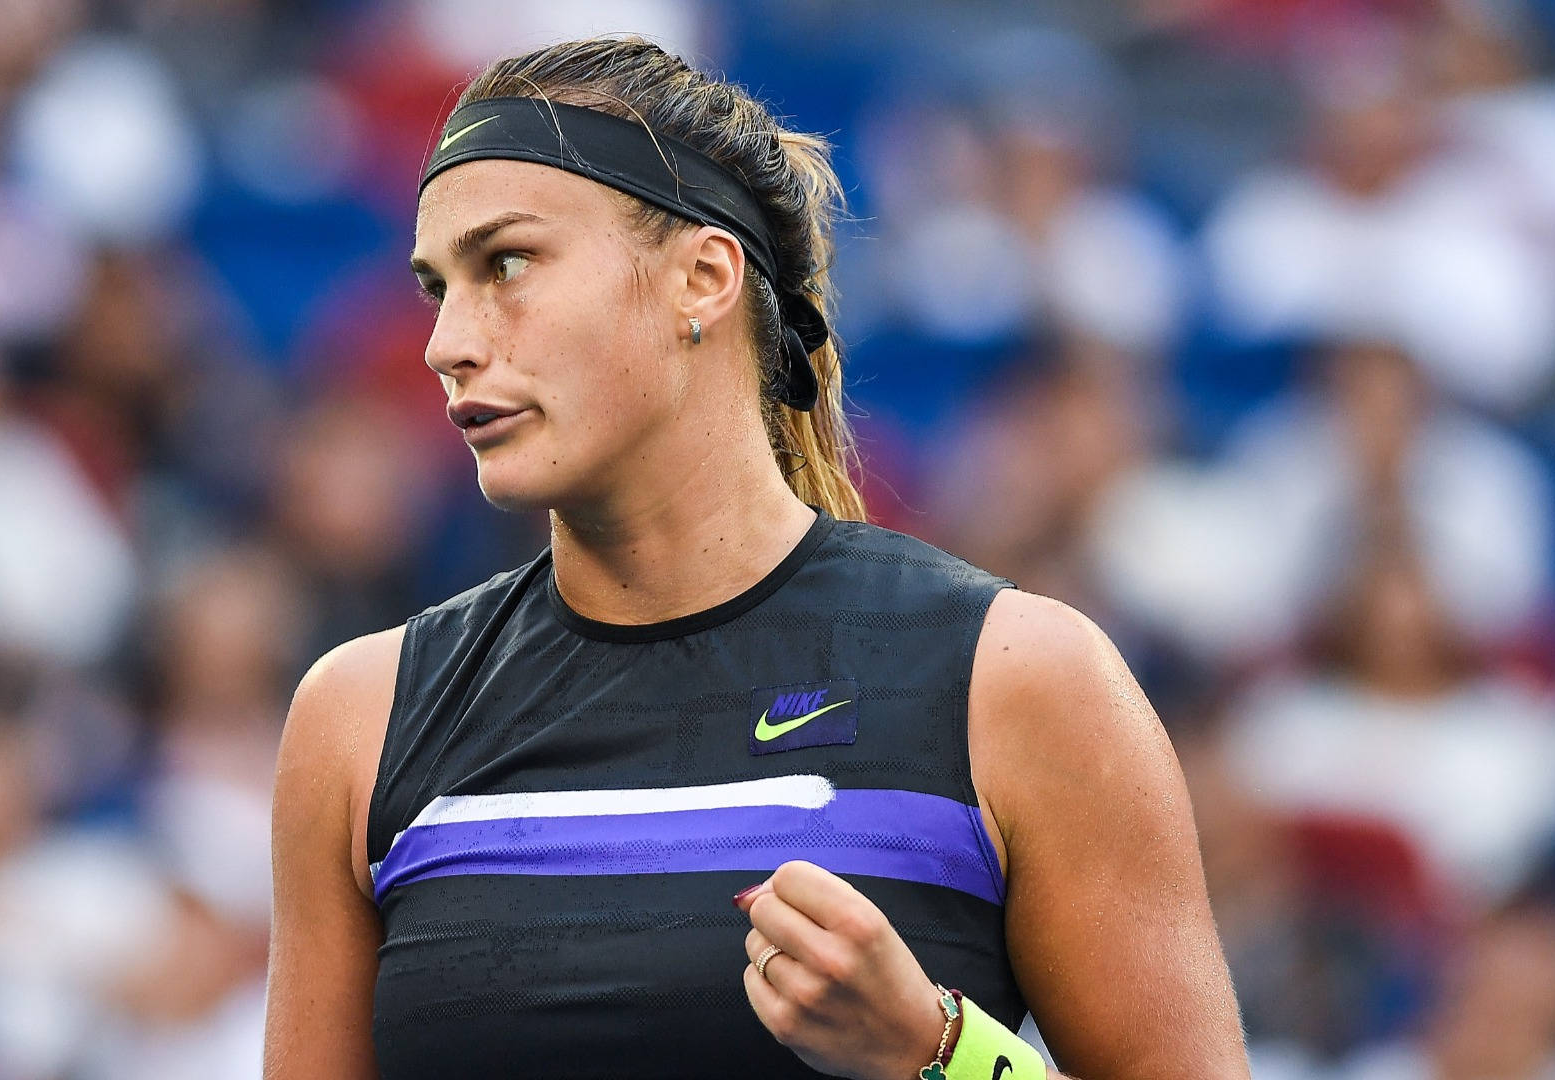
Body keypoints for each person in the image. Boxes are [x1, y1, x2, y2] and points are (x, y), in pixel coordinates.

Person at [264, 37, 1248, 1080]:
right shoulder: (359, 719)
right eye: (437, 287)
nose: (447, 342)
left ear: (702, 276)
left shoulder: (1018, 682)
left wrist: (939, 1054)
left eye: (507, 264)